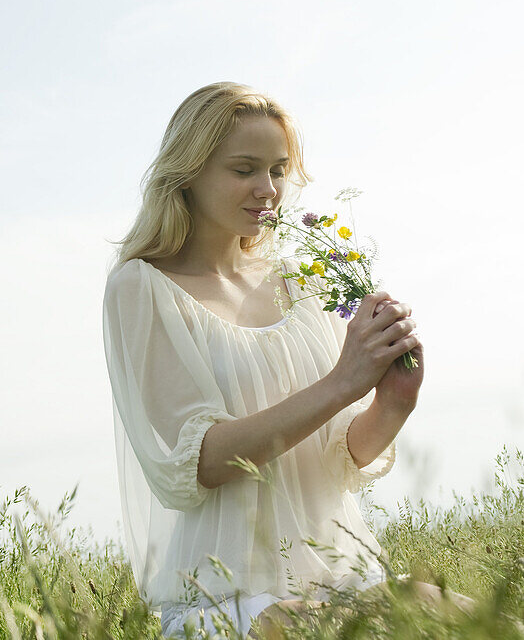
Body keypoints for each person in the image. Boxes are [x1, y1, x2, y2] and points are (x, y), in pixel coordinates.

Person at [101, 82, 475, 638]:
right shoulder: (143, 287)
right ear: (188, 173)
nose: (267, 189)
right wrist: (343, 382)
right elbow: (200, 462)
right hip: (231, 593)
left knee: (484, 620)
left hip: (341, 575)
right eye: (244, 169)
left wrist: (392, 402)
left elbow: (341, 456)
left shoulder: (304, 283)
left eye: (278, 170)